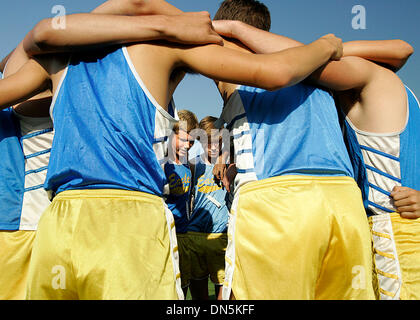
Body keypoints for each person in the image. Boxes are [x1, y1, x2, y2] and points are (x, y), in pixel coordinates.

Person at [0, 0, 343, 299]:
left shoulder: (57, 56)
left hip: (60, 221)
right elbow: (276, 72)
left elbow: (19, 58)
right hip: (129, 217)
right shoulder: (166, 47)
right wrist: (326, 45)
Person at [0, 0, 227, 300]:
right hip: (35, 227)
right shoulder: (54, 68)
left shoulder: (46, 69)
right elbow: (50, 32)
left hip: (47, 228)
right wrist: (174, 23)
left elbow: (45, 36)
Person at [212, 0, 418, 300]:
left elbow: (290, 68)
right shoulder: (384, 91)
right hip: (348, 213)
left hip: (293, 207)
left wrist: (232, 30)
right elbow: (401, 49)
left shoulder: (354, 78)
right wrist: (323, 47)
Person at [187, 116, 230, 300]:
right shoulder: (193, 165)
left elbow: (236, 137)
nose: (213, 146)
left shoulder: (230, 165)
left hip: (221, 236)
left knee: (225, 294)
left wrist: (223, 156)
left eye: (217, 142)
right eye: (207, 141)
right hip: (195, 236)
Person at [164, 109, 198, 297]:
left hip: (183, 235)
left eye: (192, 141)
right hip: (164, 235)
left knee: (182, 287)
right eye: (183, 139)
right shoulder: (161, 163)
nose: (188, 145)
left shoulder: (187, 165)